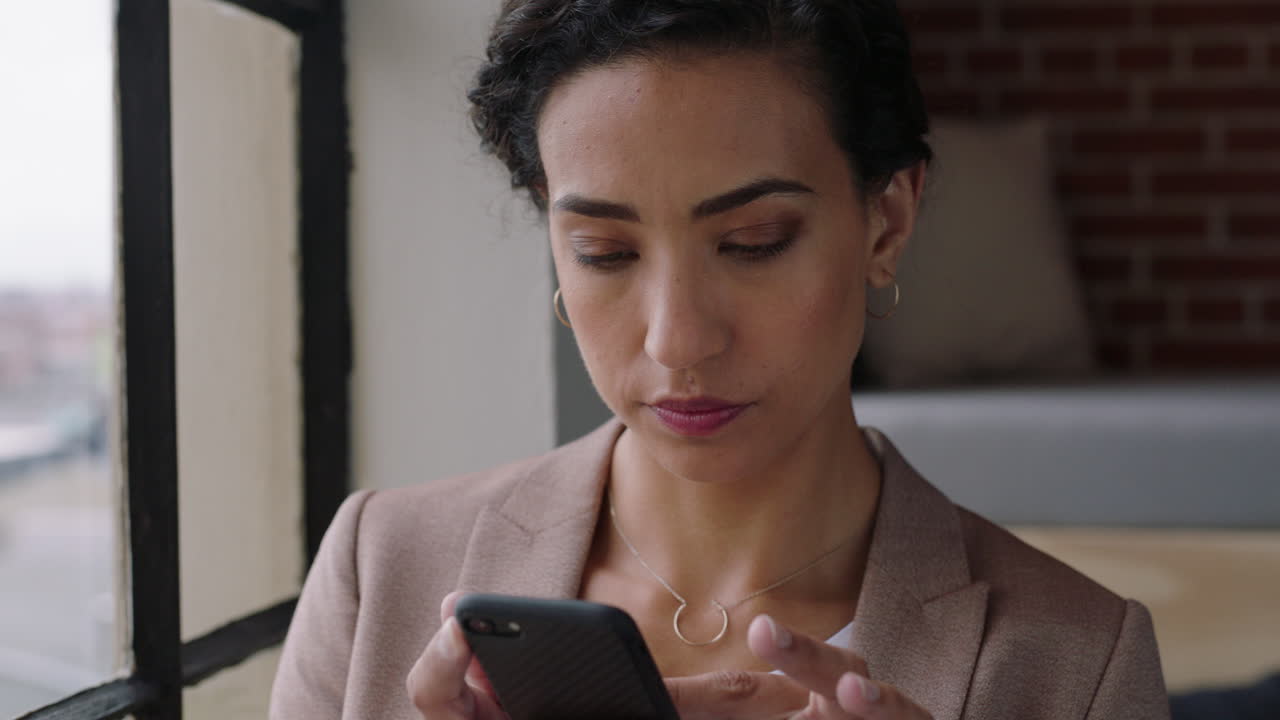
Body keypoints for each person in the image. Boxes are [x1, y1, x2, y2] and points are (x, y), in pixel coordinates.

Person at [270, 1, 1171, 718]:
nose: (677, 339)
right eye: (605, 253)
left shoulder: (1077, 662)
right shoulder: (381, 568)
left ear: (886, 224)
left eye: (752, 241)